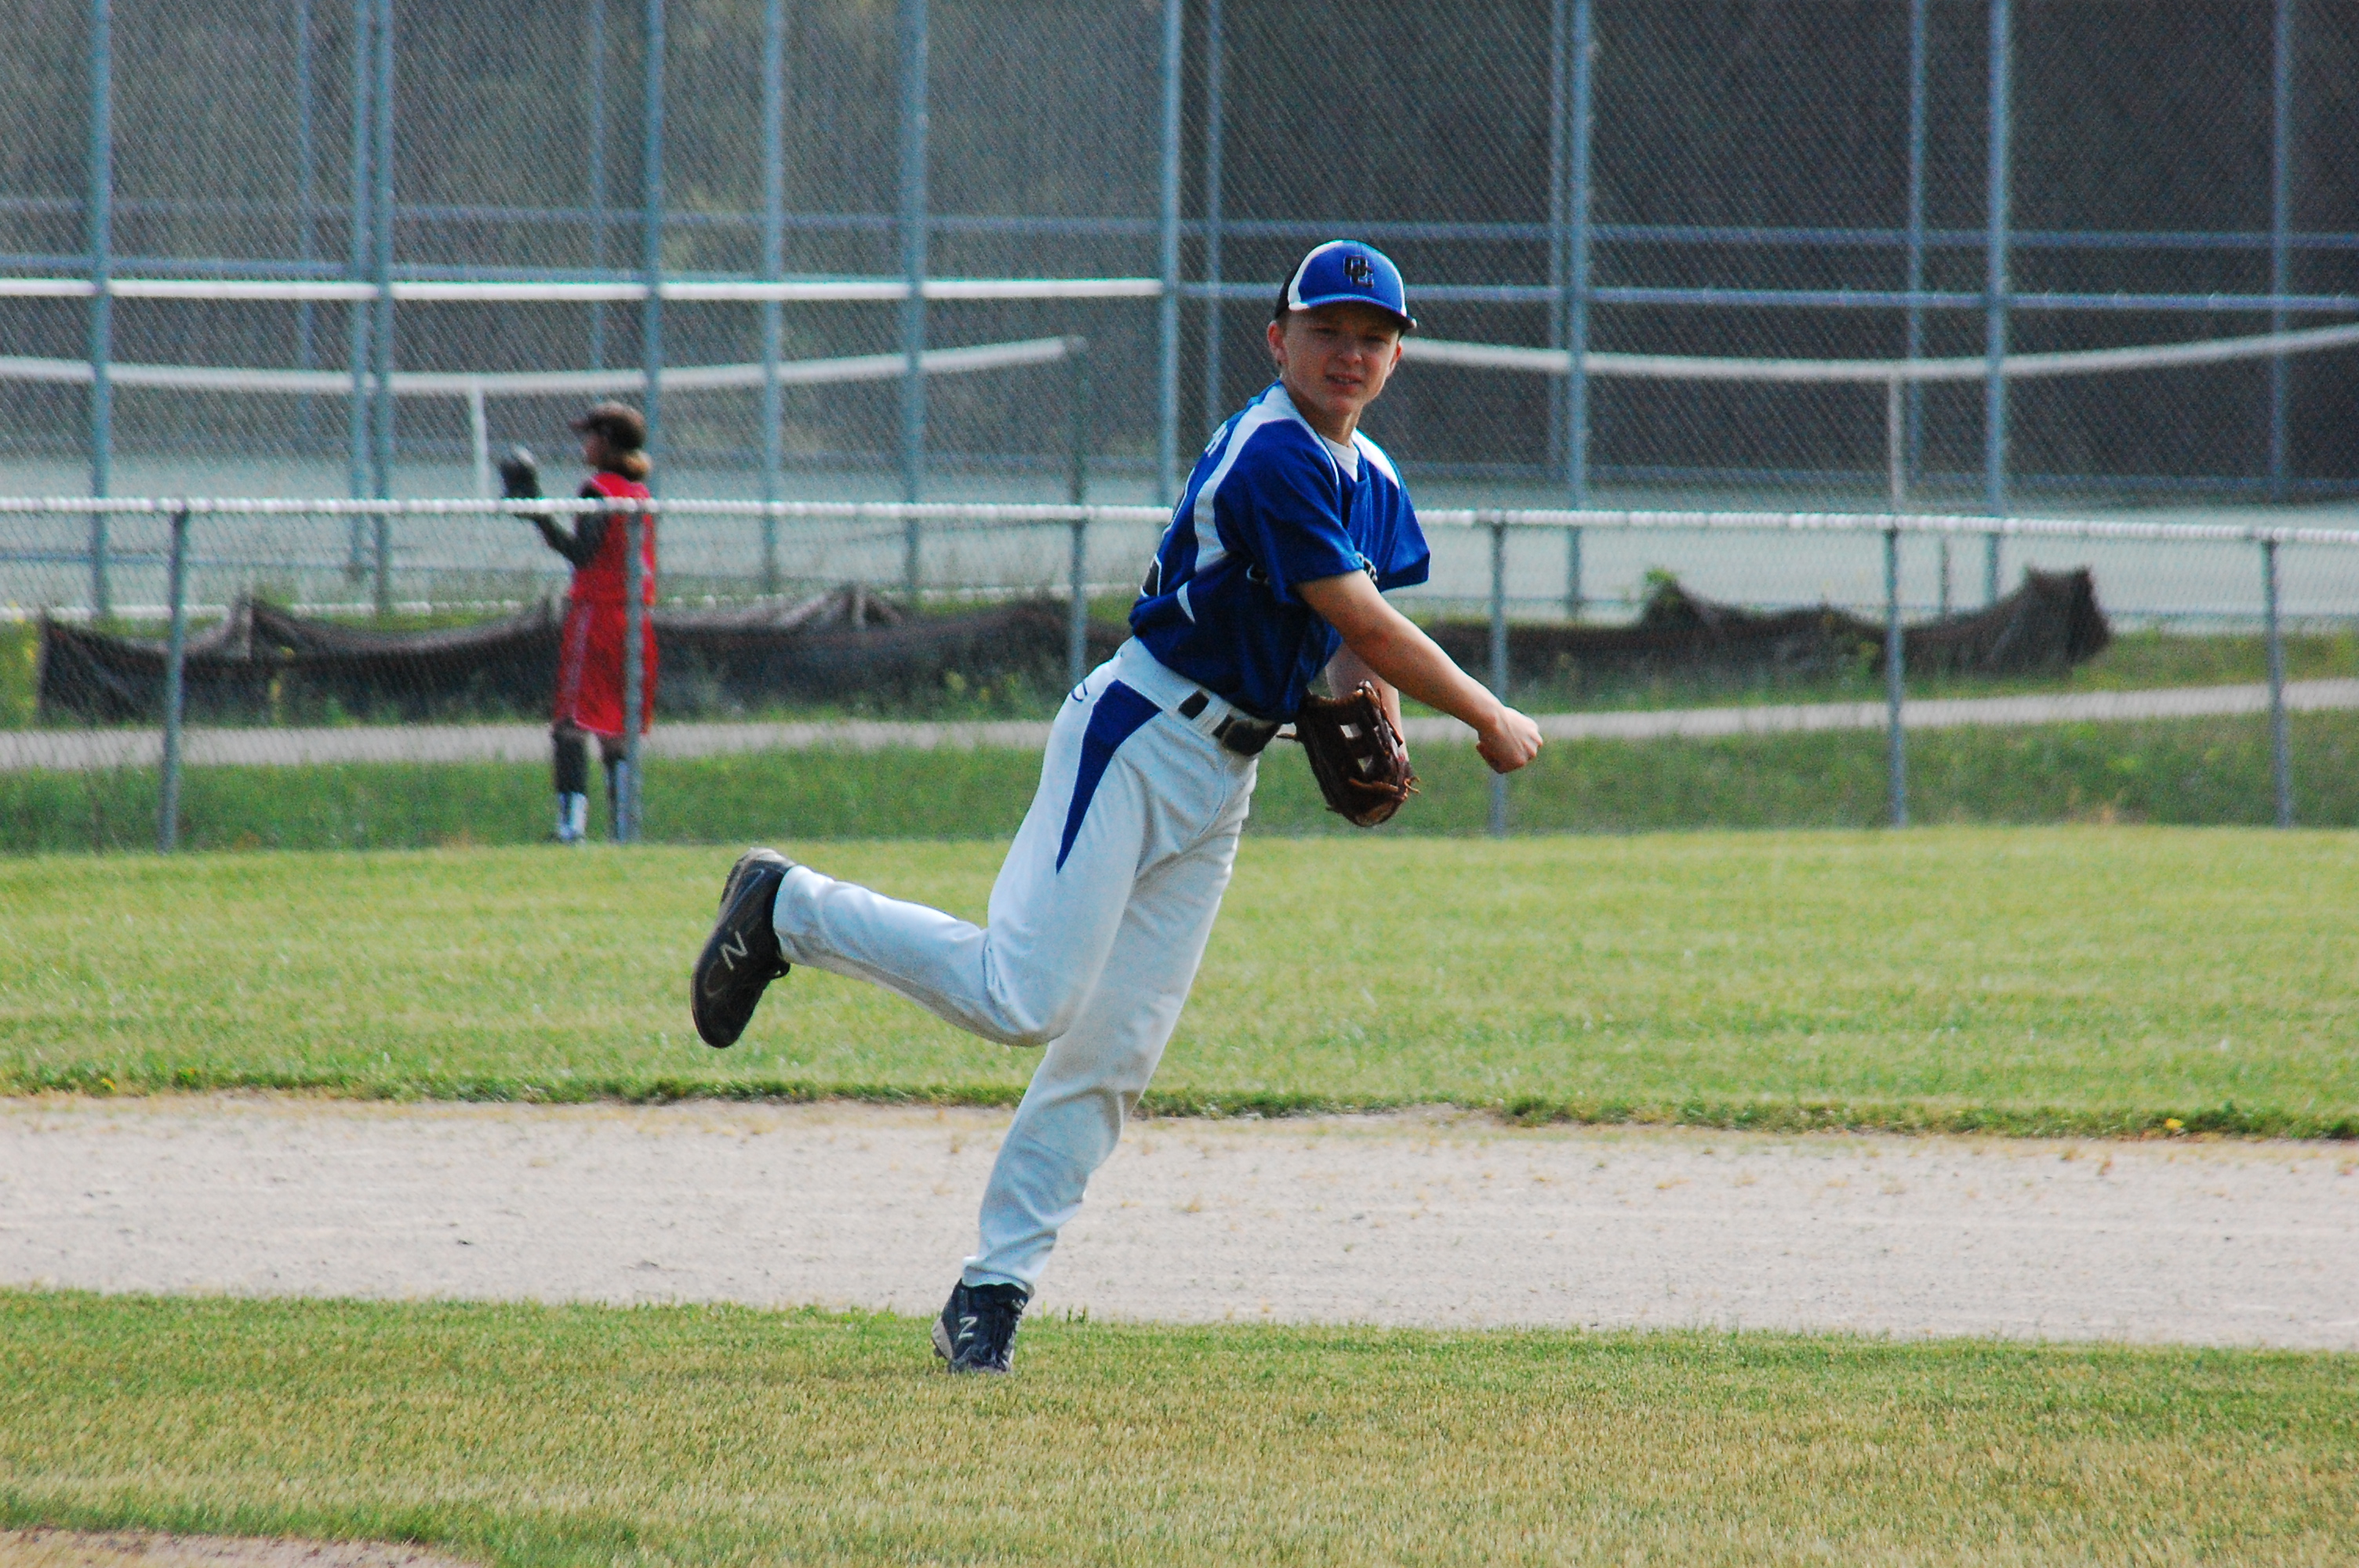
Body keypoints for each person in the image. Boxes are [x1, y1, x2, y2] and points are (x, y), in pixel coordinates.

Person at [687, 241, 1543, 1373]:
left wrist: (1371, 717)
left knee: (1116, 1047)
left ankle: (990, 1293)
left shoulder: (1370, 475)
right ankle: (786, 907)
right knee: (1023, 996)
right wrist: (1486, 714)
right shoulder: (1273, 454)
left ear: (1396, 357)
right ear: (1276, 340)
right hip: (1139, 737)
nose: (1349, 352)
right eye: (1326, 330)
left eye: (1372, 337)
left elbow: (1350, 642)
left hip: (1224, 778)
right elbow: (1366, 618)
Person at [503, 401, 658, 844]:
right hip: (636, 620)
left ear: (606, 441)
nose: (584, 445)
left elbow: (582, 553)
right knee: (616, 731)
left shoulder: (598, 491)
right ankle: (624, 830)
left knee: (571, 725)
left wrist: (538, 514)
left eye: (590, 436)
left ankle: (571, 828)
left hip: (597, 617)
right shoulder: (639, 494)